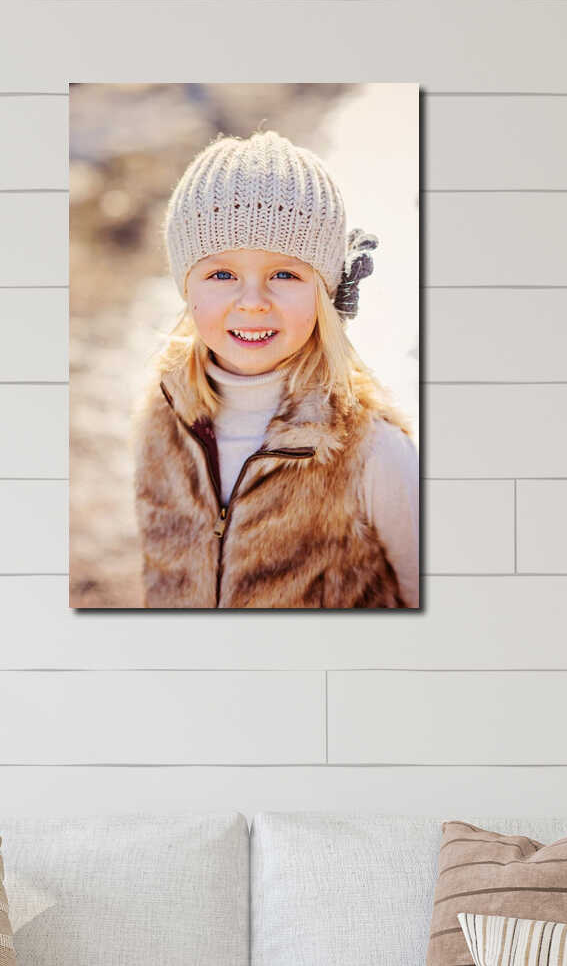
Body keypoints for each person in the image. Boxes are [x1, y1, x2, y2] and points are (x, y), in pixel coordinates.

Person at [134, 129, 419, 609]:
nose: (252, 302)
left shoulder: (371, 451)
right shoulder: (162, 421)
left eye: (284, 275)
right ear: (187, 286)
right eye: (221, 274)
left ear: (326, 292)